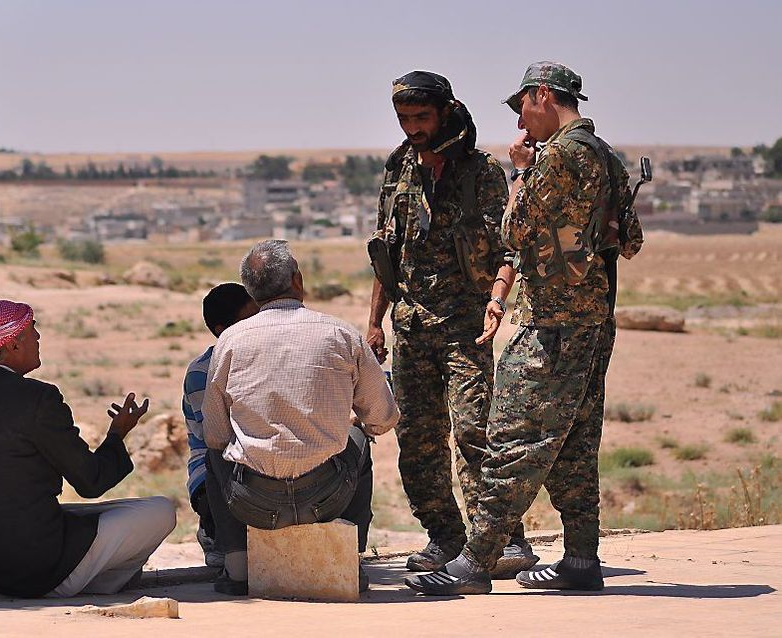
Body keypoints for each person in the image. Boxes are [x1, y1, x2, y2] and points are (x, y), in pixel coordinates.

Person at [406, 61, 641, 596]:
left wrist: (521, 174)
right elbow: (629, 241)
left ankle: (473, 564)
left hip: (550, 325)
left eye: (522, 110)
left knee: (513, 438)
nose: (520, 127)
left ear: (542, 95)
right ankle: (581, 559)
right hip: (593, 322)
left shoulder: (555, 157)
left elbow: (512, 228)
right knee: (575, 443)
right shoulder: (607, 156)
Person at [366, 70, 535, 576]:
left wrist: (497, 299)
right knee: (416, 438)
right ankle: (444, 537)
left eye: (421, 117)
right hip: (411, 328)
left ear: (444, 112)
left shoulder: (480, 172)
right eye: (404, 119)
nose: (412, 127)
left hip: (465, 325)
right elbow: (384, 253)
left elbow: (510, 245)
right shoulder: (399, 167)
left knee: (474, 432)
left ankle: (504, 541)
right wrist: (374, 325)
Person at [0, 300, 176, 598]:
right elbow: (92, 482)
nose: (39, 338)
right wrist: (117, 435)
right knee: (160, 511)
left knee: (77, 515)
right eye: (33, 330)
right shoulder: (37, 398)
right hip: (27, 568)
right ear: (15, 344)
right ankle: (87, 584)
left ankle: (85, 579)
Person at [202, 239, 400, 595]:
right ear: (298, 281)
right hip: (327, 497)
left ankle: (236, 568)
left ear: (252, 290)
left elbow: (215, 435)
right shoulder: (340, 334)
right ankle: (349, 562)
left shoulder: (228, 342)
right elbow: (383, 419)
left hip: (254, 501)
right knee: (358, 440)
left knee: (213, 454)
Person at [182, 283, 258, 568]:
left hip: (253, 458)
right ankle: (218, 536)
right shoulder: (203, 372)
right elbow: (218, 434)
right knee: (219, 457)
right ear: (220, 330)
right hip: (217, 471)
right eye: (248, 320)